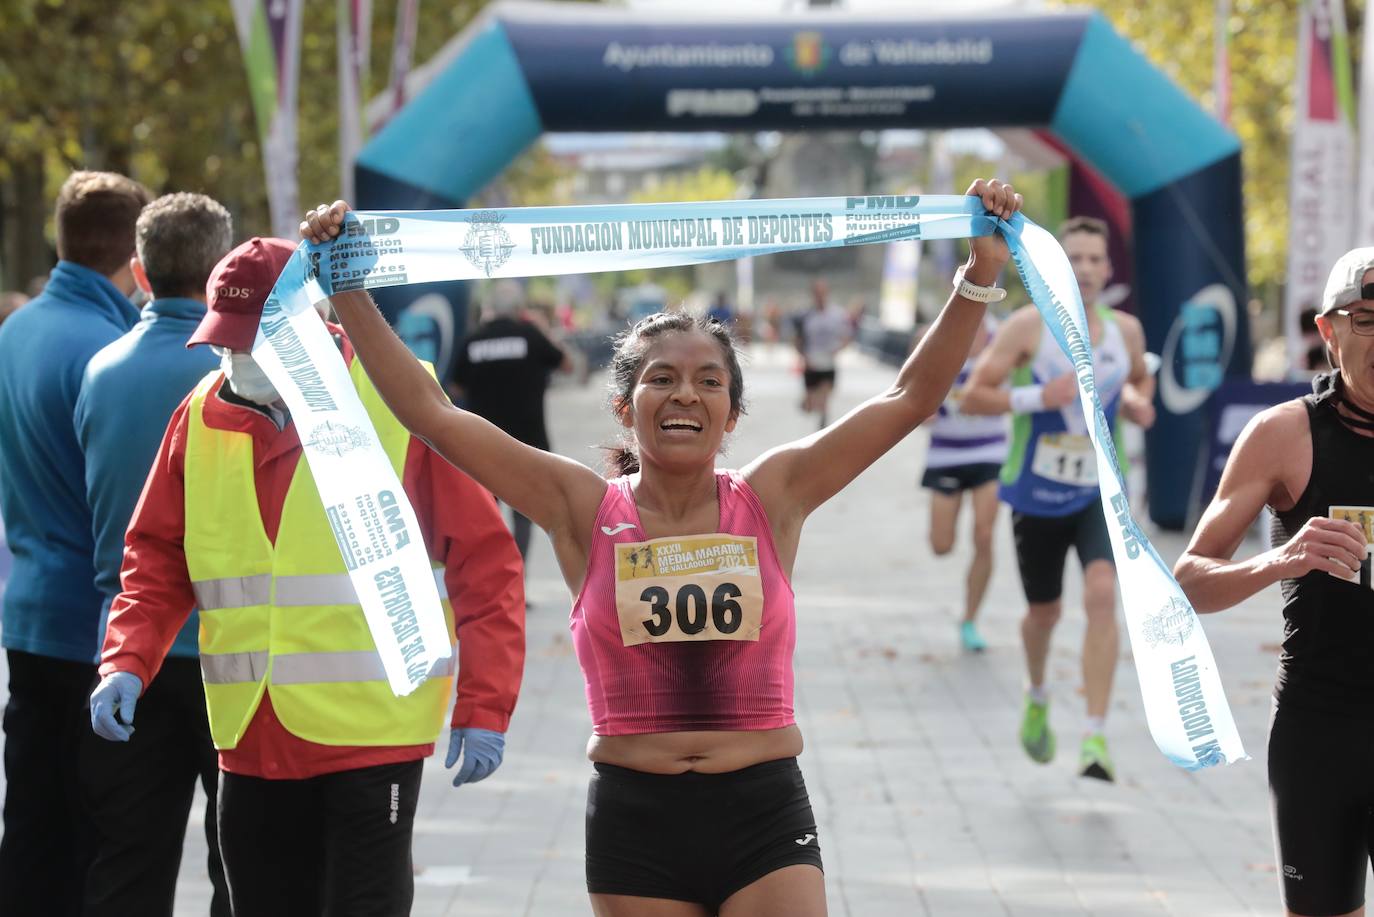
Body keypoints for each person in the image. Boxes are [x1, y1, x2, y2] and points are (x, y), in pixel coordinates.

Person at [302, 177, 1024, 917]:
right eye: (662, 379)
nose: (685, 394)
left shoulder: (775, 494)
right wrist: (347, 286)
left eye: (709, 381)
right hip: (635, 823)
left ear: (731, 413)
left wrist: (980, 273)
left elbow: (908, 398)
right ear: (625, 406)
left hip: (764, 810)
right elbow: (431, 414)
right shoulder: (580, 508)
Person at [87, 237, 526, 917]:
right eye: (226, 342)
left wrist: (485, 703)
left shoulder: (397, 399)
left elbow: (485, 559)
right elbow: (155, 560)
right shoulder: (199, 417)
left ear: (313, 324)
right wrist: (126, 659)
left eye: (257, 340)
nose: (239, 358)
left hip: (371, 736)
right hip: (249, 739)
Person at [1175, 248, 1374, 917]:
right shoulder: (1284, 435)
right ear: (1328, 331)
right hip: (1321, 730)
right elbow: (1187, 581)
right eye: (1368, 319)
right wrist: (1280, 560)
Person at [73, 192, 234, 916]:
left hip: (128, 648)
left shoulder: (100, 371)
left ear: (139, 271)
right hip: (230, 653)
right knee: (242, 862)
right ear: (222, 272)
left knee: (129, 861)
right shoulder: (236, 377)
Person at [0, 170, 151, 916]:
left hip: (27, 611)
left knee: (31, 829)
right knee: (97, 839)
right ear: (136, 254)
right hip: (92, 626)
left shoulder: (15, 332)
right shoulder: (109, 349)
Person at [961, 216, 1155, 782]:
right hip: (1036, 492)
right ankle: (1038, 692)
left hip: (1100, 489)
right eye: (1075, 259)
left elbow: (1139, 378)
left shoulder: (1126, 332)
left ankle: (1095, 736)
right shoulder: (1027, 327)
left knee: (1101, 593)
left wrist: (1138, 402)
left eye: (1095, 259)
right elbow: (973, 396)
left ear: (1109, 269)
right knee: (1043, 613)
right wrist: (1039, 396)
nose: (1086, 269)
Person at [451, 278, 573, 565]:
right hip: (527, 443)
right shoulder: (530, 335)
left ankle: (495, 574)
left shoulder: (474, 340)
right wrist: (542, 329)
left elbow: (455, 388)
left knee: (486, 514)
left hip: (482, 445)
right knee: (523, 514)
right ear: (520, 309)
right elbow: (567, 364)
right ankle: (519, 575)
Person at [920, 315, 1007, 653]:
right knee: (941, 545)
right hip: (946, 453)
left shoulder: (1003, 337)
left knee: (984, 535)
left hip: (990, 450)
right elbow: (912, 389)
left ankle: (970, 618)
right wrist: (921, 411)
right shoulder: (939, 331)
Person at [795, 279, 852, 429]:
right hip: (811, 363)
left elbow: (847, 336)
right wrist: (803, 356)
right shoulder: (805, 315)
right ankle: (808, 403)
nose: (820, 296)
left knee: (824, 400)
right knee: (810, 406)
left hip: (828, 364)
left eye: (822, 293)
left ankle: (822, 428)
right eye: (817, 293)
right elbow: (798, 340)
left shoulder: (837, 314)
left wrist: (838, 349)